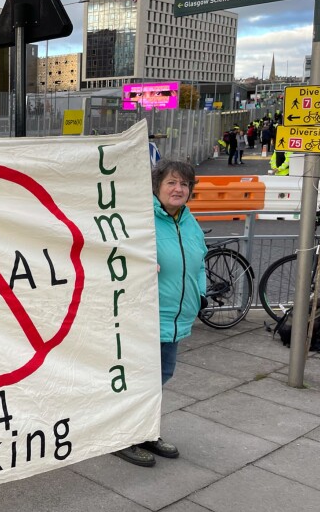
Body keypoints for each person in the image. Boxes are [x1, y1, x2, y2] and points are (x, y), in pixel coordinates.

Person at [113, 159, 207, 468]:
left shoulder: (188, 221)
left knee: (160, 377)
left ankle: (145, 431)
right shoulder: (143, 220)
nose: (179, 189)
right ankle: (123, 436)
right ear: (157, 187)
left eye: (184, 184)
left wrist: (201, 293)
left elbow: (200, 259)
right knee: (141, 379)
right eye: (172, 182)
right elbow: (119, 254)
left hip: (176, 318)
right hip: (147, 316)